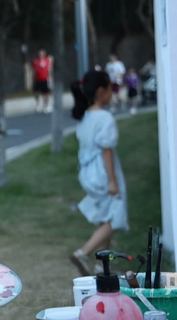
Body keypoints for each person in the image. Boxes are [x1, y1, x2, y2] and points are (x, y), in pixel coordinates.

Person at [68, 71, 129, 277]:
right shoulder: (105, 118)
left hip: (87, 172)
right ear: (101, 91)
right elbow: (106, 151)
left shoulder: (84, 116)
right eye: (110, 88)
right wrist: (113, 181)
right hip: (102, 173)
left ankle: (103, 266)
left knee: (105, 218)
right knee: (115, 218)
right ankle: (82, 253)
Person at [31, 49, 52, 113]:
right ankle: (38, 104)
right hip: (37, 79)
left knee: (45, 93)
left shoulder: (47, 60)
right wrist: (32, 79)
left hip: (45, 79)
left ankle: (46, 105)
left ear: (44, 54)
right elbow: (33, 70)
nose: (40, 55)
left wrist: (50, 78)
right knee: (36, 92)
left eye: (42, 54)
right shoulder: (35, 61)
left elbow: (49, 70)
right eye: (39, 54)